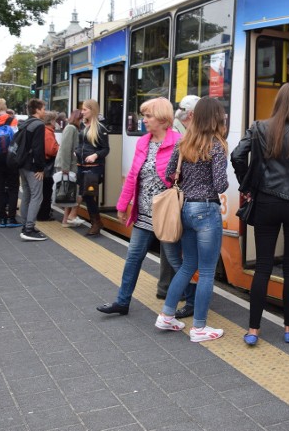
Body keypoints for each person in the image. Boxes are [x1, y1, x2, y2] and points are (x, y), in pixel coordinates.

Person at [230, 83, 289, 345]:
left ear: (278, 103)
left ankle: (253, 330)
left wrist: (246, 184)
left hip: (266, 203)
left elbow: (237, 156)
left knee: (263, 267)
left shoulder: (258, 127)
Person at [97, 98, 193, 316]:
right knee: (133, 257)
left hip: (165, 214)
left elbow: (186, 179)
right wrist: (122, 206)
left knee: (175, 261)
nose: (144, 120)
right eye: (144, 115)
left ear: (162, 119)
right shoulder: (143, 142)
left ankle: (193, 300)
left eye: (148, 116)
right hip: (143, 213)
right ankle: (122, 301)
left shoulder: (179, 142)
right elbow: (133, 175)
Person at [155, 97, 229, 342]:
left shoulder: (184, 143)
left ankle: (166, 316)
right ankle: (199, 328)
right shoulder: (216, 145)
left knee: (188, 266)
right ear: (216, 118)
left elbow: (168, 174)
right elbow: (220, 184)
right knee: (207, 271)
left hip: (185, 209)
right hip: (207, 210)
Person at [158, 93, 200, 300]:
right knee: (174, 247)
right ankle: (182, 291)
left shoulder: (181, 131)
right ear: (191, 114)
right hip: (178, 199)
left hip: (179, 199)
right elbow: (169, 172)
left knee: (173, 245)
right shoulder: (179, 134)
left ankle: (168, 287)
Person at [76, 99, 110, 236]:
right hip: (82, 165)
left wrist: (95, 155)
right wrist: (76, 151)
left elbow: (106, 149)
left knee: (88, 195)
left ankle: (96, 222)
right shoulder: (83, 126)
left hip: (94, 166)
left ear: (92, 110)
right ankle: (96, 222)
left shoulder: (101, 128)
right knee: (86, 195)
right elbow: (80, 145)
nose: (82, 112)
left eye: (85, 109)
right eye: (82, 109)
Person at [0, 98, 21, 228]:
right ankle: (12, 217)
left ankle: (2, 218)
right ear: (5, 107)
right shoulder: (12, 121)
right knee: (13, 187)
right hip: (11, 158)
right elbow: (17, 139)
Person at [18, 98, 48, 242]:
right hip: (32, 167)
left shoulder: (24, 123)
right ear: (37, 109)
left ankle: (25, 224)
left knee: (27, 195)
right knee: (37, 196)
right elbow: (38, 149)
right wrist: (40, 168)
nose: (45, 111)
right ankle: (29, 228)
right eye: (43, 108)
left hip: (22, 165)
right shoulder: (39, 125)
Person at [56, 109, 85, 227]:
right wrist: (65, 168)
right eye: (81, 119)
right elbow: (66, 149)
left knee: (70, 192)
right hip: (67, 166)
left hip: (68, 165)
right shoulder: (71, 128)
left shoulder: (72, 128)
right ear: (78, 118)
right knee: (72, 191)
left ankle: (65, 220)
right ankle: (69, 218)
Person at [36, 110, 60, 221]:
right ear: (51, 121)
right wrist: (59, 148)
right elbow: (51, 150)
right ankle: (43, 214)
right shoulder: (48, 132)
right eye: (55, 120)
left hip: (42, 164)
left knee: (43, 190)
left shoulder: (44, 130)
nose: (56, 122)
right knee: (46, 191)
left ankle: (42, 213)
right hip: (47, 165)